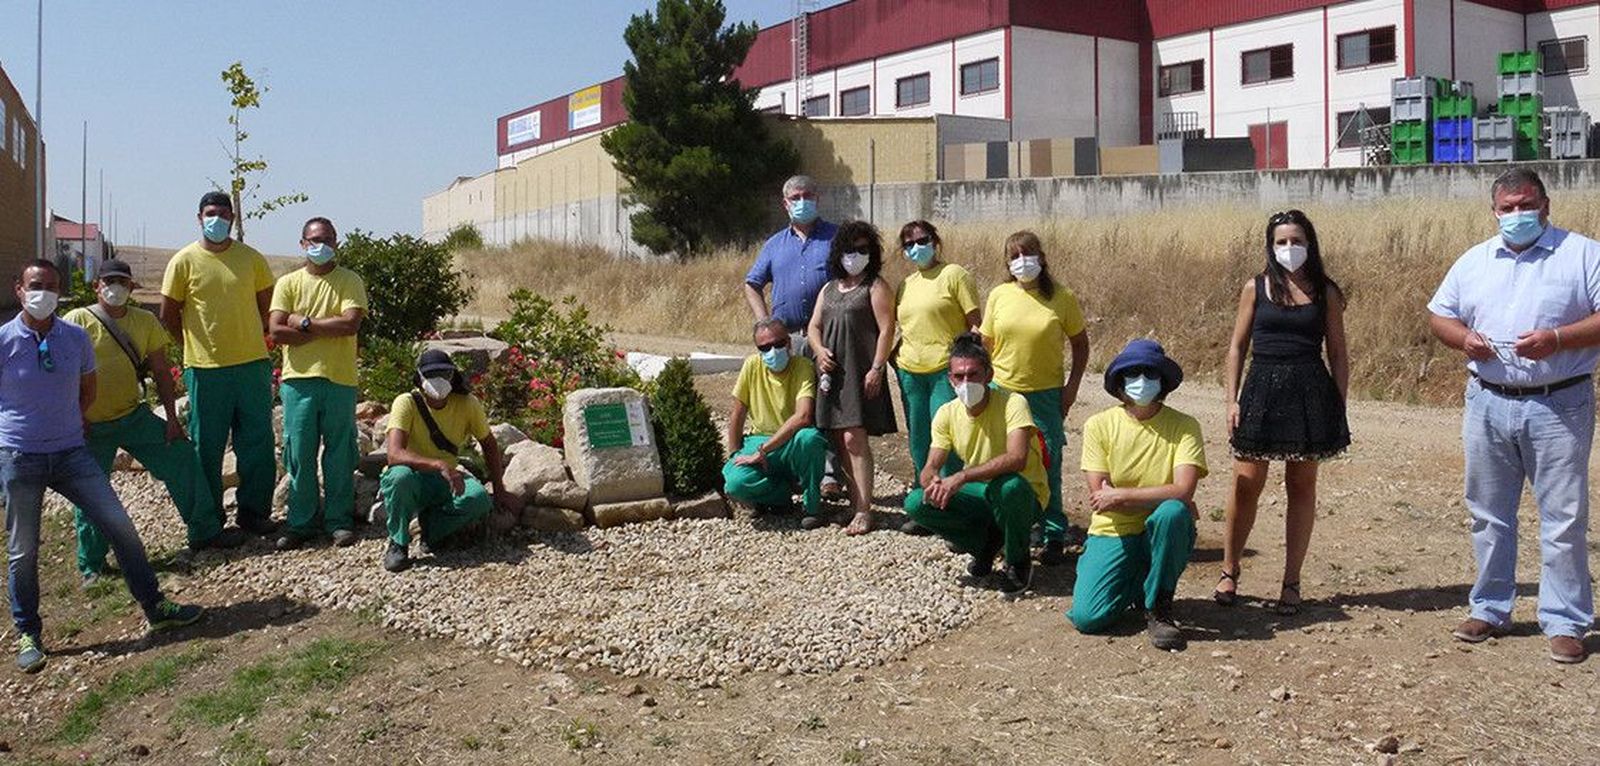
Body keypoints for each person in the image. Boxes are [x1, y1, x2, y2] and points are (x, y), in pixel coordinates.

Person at [1427, 167, 1600, 665]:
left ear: (1546, 206)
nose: (1517, 214)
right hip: (1488, 400)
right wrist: (1464, 338)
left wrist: (1559, 339)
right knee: (1488, 512)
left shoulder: (1582, 255)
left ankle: (1565, 621)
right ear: (1494, 212)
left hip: (1559, 402)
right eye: (1508, 208)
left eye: (1526, 205)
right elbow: (1440, 314)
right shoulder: (1474, 260)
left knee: (1563, 518)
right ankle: (1489, 607)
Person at [4, 260, 205, 673]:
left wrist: (74, 419)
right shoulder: (4, 340)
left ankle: (155, 605)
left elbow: (88, 388)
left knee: (121, 526)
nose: (44, 293)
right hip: (21, 457)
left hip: (71, 451)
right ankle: (29, 633)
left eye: (52, 286)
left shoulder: (74, 338)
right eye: (36, 285)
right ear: (19, 289)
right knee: (23, 550)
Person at [63, 260, 245, 584]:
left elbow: (161, 371)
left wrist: (172, 419)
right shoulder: (76, 320)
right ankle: (92, 565)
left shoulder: (144, 321)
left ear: (131, 287)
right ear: (96, 285)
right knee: (90, 492)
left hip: (133, 417)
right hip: (90, 426)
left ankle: (205, 532)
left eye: (122, 281)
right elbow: (61, 373)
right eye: (110, 280)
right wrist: (72, 418)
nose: (116, 287)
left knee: (181, 457)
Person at [1215, 210, 1350, 615]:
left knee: (1302, 486)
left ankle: (1291, 582)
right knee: (1246, 483)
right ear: (1270, 246)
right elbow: (1237, 347)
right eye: (1281, 242)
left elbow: (1338, 352)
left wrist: (1338, 404)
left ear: (1310, 243)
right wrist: (1232, 399)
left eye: (1296, 241)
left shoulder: (1326, 292)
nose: (1289, 248)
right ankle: (1229, 569)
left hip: (1309, 391)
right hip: (1261, 389)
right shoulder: (1254, 288)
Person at [1067, 339, 1206, 651]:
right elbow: (1099, 496)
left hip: (1159, 528)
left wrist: (1121, 496)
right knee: (1088, 618)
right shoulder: (1099, 425)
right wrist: (1157, 495)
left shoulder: (1185, 426)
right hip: (1112, 531)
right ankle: (1140, 582)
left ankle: (1159, 606)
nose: (1141, 381)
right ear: (1119, 381)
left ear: (1163, 380)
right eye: (1132, 373)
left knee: (1173, 513)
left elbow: (1183, 490)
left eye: (1150, 373)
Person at [160, 191, 279, 536]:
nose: (218, 220)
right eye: (211, 213)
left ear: (233, 218)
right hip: (205, 370)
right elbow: (168, 314)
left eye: (225, 214)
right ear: (199, 217)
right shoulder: (183, 261)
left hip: (252, 366)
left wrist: (256, 337)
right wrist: (190, 346)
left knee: (257, 443)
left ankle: (254, 513)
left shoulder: (252, 259)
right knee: (206, 448)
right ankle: (209, 521)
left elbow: (267, 307)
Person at [904, 333, 1046, 596]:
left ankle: (1017, 560)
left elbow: (1017, 458)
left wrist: (961, 477)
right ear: (950, 379)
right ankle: (985, 547)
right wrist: (932, 481)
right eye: (959, 376)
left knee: (1009, 487)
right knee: (916, 503)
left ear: (989, 375)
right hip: (982, 492)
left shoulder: (1013, 403)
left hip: (1023, 494)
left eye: (973, 374)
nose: (966, 383)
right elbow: (931, 464)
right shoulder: (946, 413)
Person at [980, 230, 1090, 565]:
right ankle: (1009, 526)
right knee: (1004, 461)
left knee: (1048, 461)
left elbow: (1080, 344)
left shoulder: (1063, 297)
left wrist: (1071, 388)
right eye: (1014, 256)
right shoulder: (999, 295)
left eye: (1028, 254)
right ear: (1007, 263)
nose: (1022, 261)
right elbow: (986, 344)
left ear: (1041, 257)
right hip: (1003, 392)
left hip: (1045, 395)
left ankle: (1053, 532)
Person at [267, 217, 369, 550]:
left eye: (326, 239)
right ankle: (301, 522)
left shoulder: (350, 280)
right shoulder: (288, 283)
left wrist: (304, 323)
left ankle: (339, 521)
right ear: (302, 243)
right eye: (314, 240)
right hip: (298, 381)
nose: (320, 245)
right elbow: (276, 330)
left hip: (340, 379)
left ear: (336, 243)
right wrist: (325, 328)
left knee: (340, 453)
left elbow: (350, 325)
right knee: (299, 453)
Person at [744, 174, 844, 498]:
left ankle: (830, 474)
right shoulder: (774, 244)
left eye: (807, 196)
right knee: (796, 406)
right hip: (786, 339)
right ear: (785, 204)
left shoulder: (836, 238)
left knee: (829, 403)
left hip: (827, 337)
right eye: (795, 197)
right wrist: (764, 323)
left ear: (817, 198)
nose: (802, 202)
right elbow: (752, 284)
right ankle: (796, 470)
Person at [379, 350, 517, 572]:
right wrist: (438, 464)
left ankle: (432, 531)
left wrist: (499, 489)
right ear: (420, 378)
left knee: (478, 499)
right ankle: (398, 543)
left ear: (453, 376)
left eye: (444, 374)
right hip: (413, 475)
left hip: (446, 479)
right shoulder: (406, 403)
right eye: (431, 375)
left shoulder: (467, 404)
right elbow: (394, 454)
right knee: (399, 477)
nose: (438, 380)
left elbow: (489, 444)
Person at [808, 220, 898, 535]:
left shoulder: (875, 286)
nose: (855, 255)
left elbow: (887, 329)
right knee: (838, 438)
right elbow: (814, 325)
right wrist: (818, 350)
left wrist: (877, 367)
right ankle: (853, 500)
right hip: (831, 373)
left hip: (860, 371)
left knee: (854, 439)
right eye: (850, 249)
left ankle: (863, 509)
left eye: (862, 249)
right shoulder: (829, 288)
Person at [894, 220, 981, 535]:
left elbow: (975, 325)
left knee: (946, 440)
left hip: (945, 371)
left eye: (922, 240)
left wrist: (971, 366)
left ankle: (952, 505)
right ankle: (927, 506)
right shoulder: (905, 284)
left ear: (935, 241)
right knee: (919, 441)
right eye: (909, 244)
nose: (916, 247)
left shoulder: (954, 275)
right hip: (910, 372)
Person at [722, 318, 829, 520]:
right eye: (764, 347)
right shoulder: (751, 365)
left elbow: (804, 416)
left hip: (792, 442)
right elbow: (738, 412)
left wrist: (764, 450)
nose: (772, 351)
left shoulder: (803, 366)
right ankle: (780, 496)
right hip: (757, 439)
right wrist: (734, 454)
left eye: (778, 344)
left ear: (789, 342)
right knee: (735, 483)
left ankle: (812, 505)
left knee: (811, 438)